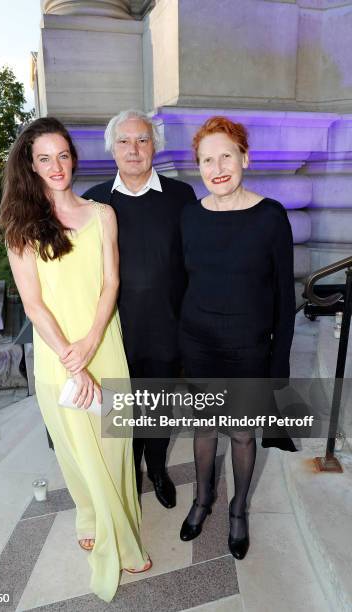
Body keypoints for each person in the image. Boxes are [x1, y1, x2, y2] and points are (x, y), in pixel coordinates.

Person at [0, 117, 150, 603]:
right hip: (57, 354)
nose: (56, 166)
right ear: (30, 165)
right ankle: (104, 529)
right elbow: (34, 304)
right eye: (44, 158)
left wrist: (91, 343)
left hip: (104, 345)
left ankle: (113, 515)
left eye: (63, 155)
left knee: (113, 443)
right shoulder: (20, 226)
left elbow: (111, 284)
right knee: (77, 449)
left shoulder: (103, 213)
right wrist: (72, 359)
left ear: (73, 158)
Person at [179, 116, 296, 559]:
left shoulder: (270, 216)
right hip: (199, 344)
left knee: (243, 435)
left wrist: (277, 366)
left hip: (249, 348)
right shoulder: (190, 216)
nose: (218, 166)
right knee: (205, 428)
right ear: (199, 168)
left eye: (226, 154)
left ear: (245, 157)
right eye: (207, 159)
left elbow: (286, 297)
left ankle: (238, 508)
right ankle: (202, 498)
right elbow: (183, 284)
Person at [83, 110, 196, 508]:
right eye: (125, 141)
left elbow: (194, 262)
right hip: (116, 330)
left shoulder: (181, 197)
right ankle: (128, 476)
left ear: (155, 147)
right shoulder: (93, 201)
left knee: (159, 409)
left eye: (142, 140)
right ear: (112, 149)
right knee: (122, 412)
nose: (134, 149)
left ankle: (159, 470)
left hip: (167, 325)